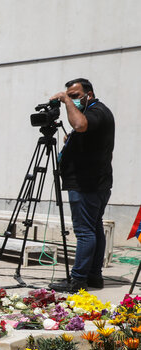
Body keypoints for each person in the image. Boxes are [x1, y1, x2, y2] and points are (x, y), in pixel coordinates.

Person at [49, 78, 115, 293]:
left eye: (76, 95)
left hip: (87, 184)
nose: (73, 99)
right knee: (94, 228)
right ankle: (94, 276)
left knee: (85, 232)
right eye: (70, 95)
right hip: (95, 182)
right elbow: (83, 131)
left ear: (90, 94)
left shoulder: (97, 111)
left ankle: (77, 280)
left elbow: (79, 124)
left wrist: (65, 100)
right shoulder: (94, 112)